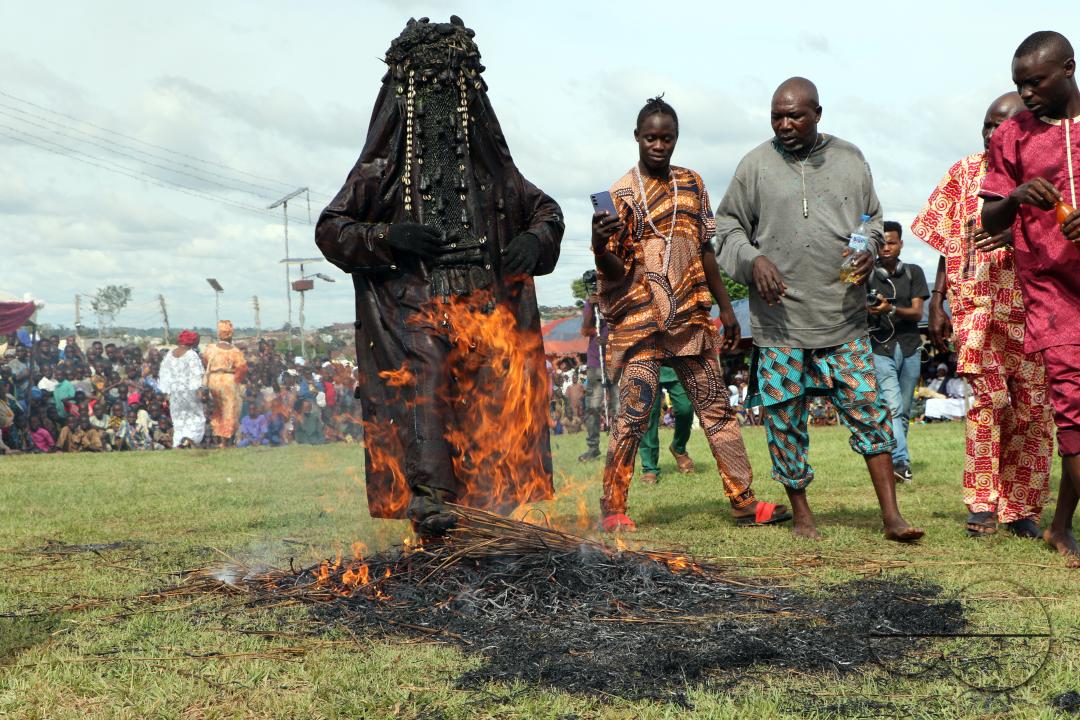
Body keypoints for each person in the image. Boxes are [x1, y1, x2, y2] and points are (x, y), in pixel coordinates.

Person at [315, 17, 564, 535]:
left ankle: (490, 517)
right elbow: (332, 228)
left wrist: (534, 239)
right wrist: (389, 237)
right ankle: (432, 504)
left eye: (449, 87)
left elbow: (546, 211)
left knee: (491, 405)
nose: (439, 101)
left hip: (485, 308)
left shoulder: (492, 170)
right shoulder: (382, 171)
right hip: (416, 308)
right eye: (426, 88)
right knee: (425, 391)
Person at [715, 77, 923, 542]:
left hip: (842, 317)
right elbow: (726, 228)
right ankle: (803, 515)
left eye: (795, 115)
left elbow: (871, 218)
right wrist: (753, 260)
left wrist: (870, 248)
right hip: (780, 322)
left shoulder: (849, 158)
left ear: (818, 114)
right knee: (784, 419)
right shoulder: (754, 165)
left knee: (869, 409)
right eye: (776, 116)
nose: (784, 124)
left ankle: (892, 516)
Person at [591, 95, 788, 532]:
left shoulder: (693, 183)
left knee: (716, 409)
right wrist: (600, 244)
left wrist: (725, 308)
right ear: (637, 137)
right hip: (640, 323)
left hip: (689, 318)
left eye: (667, 138)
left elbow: (705, 249)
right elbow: (614, 270)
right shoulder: (620, 194)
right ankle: (613, 507)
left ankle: (743, 500)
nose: (659, 145)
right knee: (634, 414)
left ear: (676, 138)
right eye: (651, 138)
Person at [911, 92, 1052, 537]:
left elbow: (1063, 240)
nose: (992, 134)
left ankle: (1022, 509)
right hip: (977, 308)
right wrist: (937, 300)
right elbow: (946, 239)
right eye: (987, 125)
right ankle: (983, 504)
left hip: (1034, 311)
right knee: (987, 405)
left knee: (1031, 412)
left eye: (1001, 126)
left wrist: (1018, 235)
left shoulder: (1048, 175)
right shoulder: (963, 173)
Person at [980, 31, 1080, 567]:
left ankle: (1059, 525)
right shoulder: (1012, 135)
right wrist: (1016, 196)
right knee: (1073, 410)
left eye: (1036, 82)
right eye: (1019, 84)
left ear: (1068, 69)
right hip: (1051, 290)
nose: (1026, 93)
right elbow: (989, 216)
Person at [866, 221, 929, 483]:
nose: (886, 248)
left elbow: (917, 313)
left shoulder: (914, 272)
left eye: (891, 243)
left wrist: (890, 309)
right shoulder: (867, 275)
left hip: (910, 347)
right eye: (881, 244)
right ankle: (902, 462)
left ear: (901, 244)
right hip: (880, 347)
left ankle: (894, 462)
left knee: (903, 410)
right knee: (892, 407)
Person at [579, 274, 618, 462]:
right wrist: (591, 306)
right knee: (593, 407)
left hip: (616, 361)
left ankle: (619, 446)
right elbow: (585, 330)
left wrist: (609, 340)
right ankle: (593, 448)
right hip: (596, 363)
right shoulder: (590, 304)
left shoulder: (615, 299)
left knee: (618, 406)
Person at [637, 368, 695, 484]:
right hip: (646, 364)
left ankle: (678, 448)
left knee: (686, 409)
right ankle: (649, 467)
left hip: (675, 365)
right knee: (649, 414)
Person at [158, 329, 207, 449]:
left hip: (175, 393)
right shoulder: (191, 354)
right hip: (189, 392)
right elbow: (197, 374)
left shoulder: (169, 354)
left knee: (178, 420)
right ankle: (188, 440)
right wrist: (199, 390)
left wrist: (167, 392)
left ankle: (179, 442)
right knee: (196, 418)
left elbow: (164, 375)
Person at [202, 321, 248, 447]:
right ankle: (225, 440)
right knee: (229, 410)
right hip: (228, 380)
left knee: (217, 409)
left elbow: (205, 361)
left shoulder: (210, 348)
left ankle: (217, 438)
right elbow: (242, 368)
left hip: (212, 379)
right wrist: (238, 381)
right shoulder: (235, 351)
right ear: (230, 334)